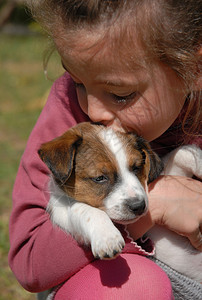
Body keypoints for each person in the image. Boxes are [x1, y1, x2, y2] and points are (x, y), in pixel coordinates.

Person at [9, 1, 202, 299]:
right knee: (129, 286)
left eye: (120, 95)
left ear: (194, 66)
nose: (94, 111)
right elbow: (30, 262)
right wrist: (156, 206)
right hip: (117, 279)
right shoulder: (69, 114)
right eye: (78, 83)